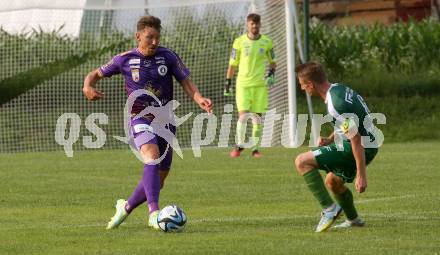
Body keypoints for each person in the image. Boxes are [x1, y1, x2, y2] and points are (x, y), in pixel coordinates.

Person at [82, 15, 212, 230]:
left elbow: (185, 81)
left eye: (157, 38)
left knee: (158, 181)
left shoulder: (168, 56)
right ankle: (154, 214)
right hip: (140, 118)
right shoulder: (124, 59)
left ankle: (125, 207)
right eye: (149, 37)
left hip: (166, 121)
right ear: (138, 36)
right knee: (151, 157)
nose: (154, 42)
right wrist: (87, 86)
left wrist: (199, 99)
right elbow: (94, 74)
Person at [294, 62, 379, 232]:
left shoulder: (335, 104)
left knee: (302, 161)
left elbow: (356, 139)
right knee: (332, 181)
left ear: (310, 84)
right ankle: (354, 220)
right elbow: (349, 124)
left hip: (361, 145)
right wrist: (331, 139)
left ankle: (329, 209)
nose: (303, 89)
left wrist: (361, 175)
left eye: (303, 85)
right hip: (370, 142)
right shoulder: (339, 89)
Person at [224, 13, 276, 158]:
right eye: (252, 23)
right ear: (248, 24)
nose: (255, 26)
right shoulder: (239, 42)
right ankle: (239, 146)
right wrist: (228, 82)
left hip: (260, 86)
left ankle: (255, 149)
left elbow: (273, 62)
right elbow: (232, 64)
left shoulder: (267, 42)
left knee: (257, 118)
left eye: (257, 23)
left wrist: (271, 74)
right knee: (243, 116)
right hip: (243, 85)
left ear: (260, 24)